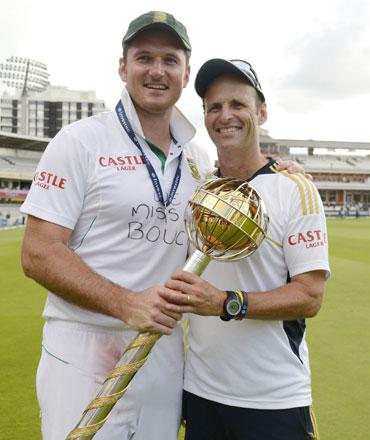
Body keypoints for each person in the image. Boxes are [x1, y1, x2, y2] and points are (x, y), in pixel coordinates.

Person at [20, 11, 212, 440]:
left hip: (161, 348)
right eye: (144, 58)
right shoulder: (80, 141)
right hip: (84, 343)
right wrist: (125, 303)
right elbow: (38, 252)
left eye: (170, 59)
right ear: (123, 67)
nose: (157, 71)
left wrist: (280, 174)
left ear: (186, 71)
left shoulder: (199, 158)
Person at [163, 58, 330, 440]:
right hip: (201, 395)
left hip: (274, 401)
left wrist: (225, 302)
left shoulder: (295, 189)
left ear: (262, 112)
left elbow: (310, 297)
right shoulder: (197, 189)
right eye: (214, 107)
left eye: (238, 104)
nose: (226, 116)